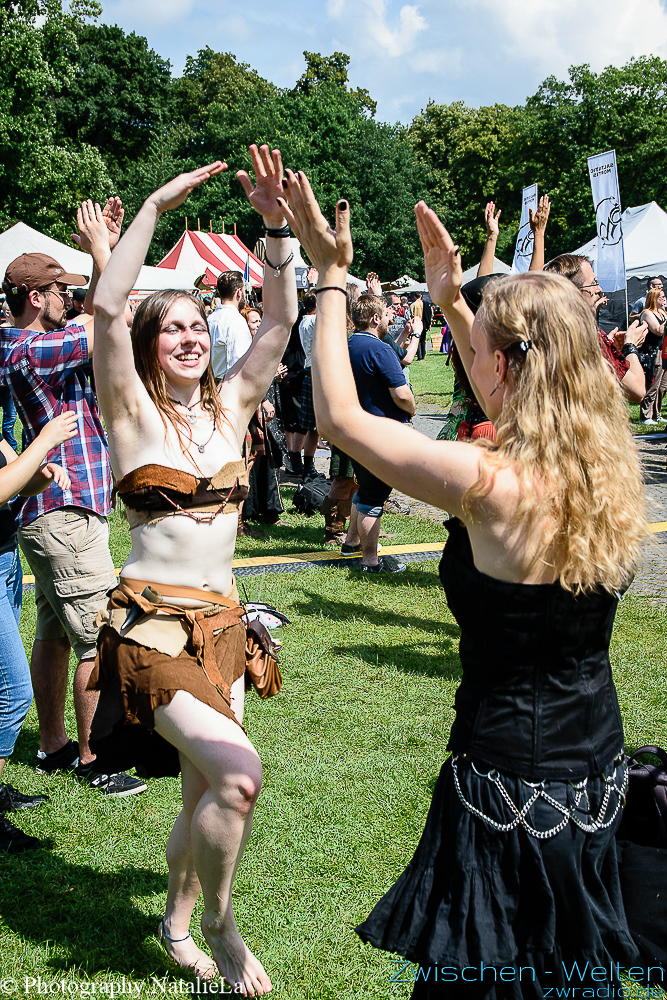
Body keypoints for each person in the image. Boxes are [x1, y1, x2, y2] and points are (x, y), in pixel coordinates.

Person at [278, 173, 646, 998]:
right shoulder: (605, 461)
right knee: (566, 970)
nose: (467, 360)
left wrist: (330, 276)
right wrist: (451, 299)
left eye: (476, 350)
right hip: (595, 768)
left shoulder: (490, 484)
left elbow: (339, 419)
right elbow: (515, 381)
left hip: (510, 776)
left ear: (506, 364)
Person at [90, 146, 296, 993]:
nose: (186, 337)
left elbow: (277, 324)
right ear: (149, 345)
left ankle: (175, 927)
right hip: (150, 630)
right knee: (239, 779)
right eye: (169, 328)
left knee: (202, 791)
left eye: (194, 326)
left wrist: (276, 231)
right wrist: (153, 207)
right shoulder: (130, 411)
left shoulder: (233, 406)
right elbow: (105, 307)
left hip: (223, 629)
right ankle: (222, 925)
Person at [0, 217, 145, 798]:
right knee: (96, 636)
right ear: (36, 297)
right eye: (62, 290)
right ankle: (94, 758)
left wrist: (98, 254)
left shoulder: (20, 342)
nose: (71, 298)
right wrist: (104, 252)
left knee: (55, 633)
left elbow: (98, 312)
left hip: (50, 510)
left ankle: (54, 743)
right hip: (65, 511)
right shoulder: (35, 350)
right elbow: (112, 317)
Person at [0, 409, 77, 852]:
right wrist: (44, 441)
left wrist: (40, 475)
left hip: (5, 557)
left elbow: (14, 478)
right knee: (12, 693)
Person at [338, 292, 415, 573]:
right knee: (374, 497)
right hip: (381, 432)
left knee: (365, 490)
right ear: (374, 318)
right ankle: (370, 562)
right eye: (385, 315)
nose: (388, 319)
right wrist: (412, 409)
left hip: (355, 430)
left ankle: (350, 544)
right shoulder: (380, 350)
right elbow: (401, 394)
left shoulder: (346, 345)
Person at [543, 254, 647, 403]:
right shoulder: (587, 337)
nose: (599, 289)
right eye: (593, 283)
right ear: (574, 292)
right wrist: (630, 346)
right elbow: (637, 391)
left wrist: (609, 345)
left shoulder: (543, 330)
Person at [208, 270, 253, 379]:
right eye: (244, 290)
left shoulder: (209, 319)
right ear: (239, 292)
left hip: (210, 382)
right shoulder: (236, 321)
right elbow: (240, 363)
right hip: (227, 383)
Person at [638, 286, 667, 424]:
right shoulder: (647, 314)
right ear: (654, 299)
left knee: (662, 386)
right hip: (652, 352)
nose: (664, 299)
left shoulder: (662, 313)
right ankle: (645, 416)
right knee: (652, 384)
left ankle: (657, 413)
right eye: (662, 297)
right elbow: (659, 331)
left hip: (663, 350)